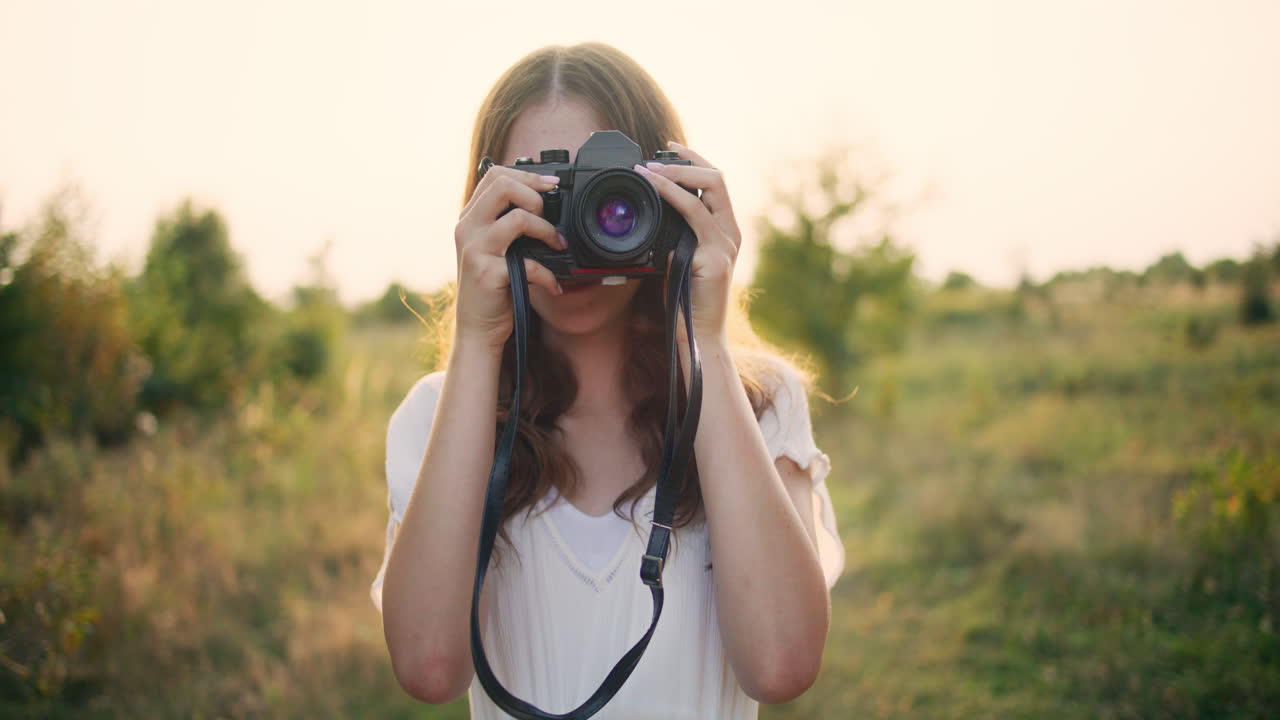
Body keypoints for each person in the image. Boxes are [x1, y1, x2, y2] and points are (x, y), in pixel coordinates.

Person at [370, 42, 845, 718]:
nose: (575, 235)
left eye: (610, 200)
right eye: (543, 196)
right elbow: (428, 666)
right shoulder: (440, 414)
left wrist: (701, 336)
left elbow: (781, 664)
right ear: (482, 206)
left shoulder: (756, 400)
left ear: (673, 196)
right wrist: (477, 342)